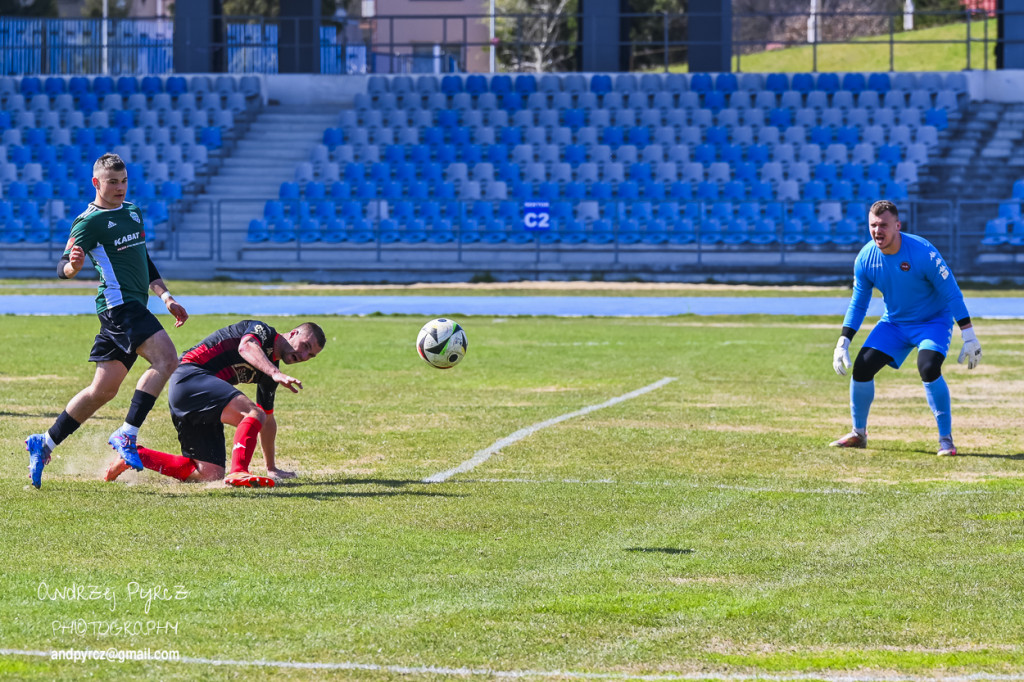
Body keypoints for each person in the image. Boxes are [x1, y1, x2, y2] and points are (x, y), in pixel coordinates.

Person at [24, 153, 189, 489]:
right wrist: (73, 266)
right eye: (112, 182)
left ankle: (45, 443)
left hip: (131, 306)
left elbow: (144, 260)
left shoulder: (132, 211)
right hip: (119, 308)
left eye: (124, 181)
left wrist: (166, 297)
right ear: (96, 183)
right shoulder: (88, 221)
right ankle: (127, 434)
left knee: (103, 390)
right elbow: (62, 268)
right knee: (167, 358)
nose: (119, 187)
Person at [830, 200, 982, 456]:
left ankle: (946, 439)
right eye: (873, 225)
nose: (878, 231)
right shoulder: (865, 259)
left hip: (932, 322)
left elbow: (952, 294)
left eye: (884, 225)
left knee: (928, 366)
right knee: (863, 367)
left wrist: (968, 334)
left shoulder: (923, 252)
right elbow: (858, 303)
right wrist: (843, 341)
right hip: (895, 323)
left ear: (898, 226)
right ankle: (859, 433)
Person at [105, 320, 326, 488]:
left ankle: (134, 456)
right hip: (189, 376)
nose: (304, 355)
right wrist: (275, 372)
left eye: (311, 355)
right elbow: (246, 347)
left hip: (199, 400)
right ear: (294, 333)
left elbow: (267, 420)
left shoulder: (269, 373)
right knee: (252, 412)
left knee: (208, 474)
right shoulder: (262, 332)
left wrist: (271, 468)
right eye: (305, 345)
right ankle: (239, 471)